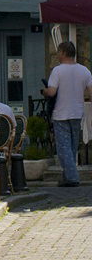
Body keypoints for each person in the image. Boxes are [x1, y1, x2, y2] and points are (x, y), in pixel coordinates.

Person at [42, 41, 91, 187]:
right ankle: (67, 175)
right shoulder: (84, 70)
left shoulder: (57, 71)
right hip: (77, 112)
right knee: (72, 147)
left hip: (61, 112)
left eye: (58, 52)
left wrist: (44, 91)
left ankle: (72, 177)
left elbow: (52, 92)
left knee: (64, 147)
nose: (57, 55)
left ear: (63, 52)